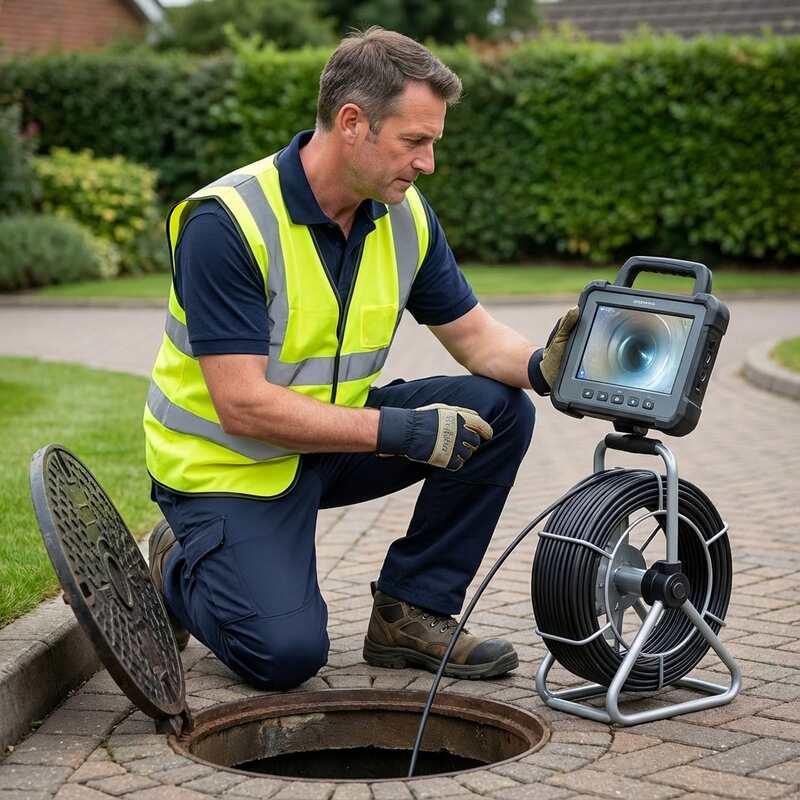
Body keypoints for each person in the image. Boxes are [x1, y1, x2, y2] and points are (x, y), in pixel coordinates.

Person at [145, 26, 577, 690]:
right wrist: (400, 431)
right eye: (415, 141)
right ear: (352, 122)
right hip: (224, 468)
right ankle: (179, 561)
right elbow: (240, 404)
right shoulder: (226, 223)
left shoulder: (401, 215)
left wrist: (542, 366)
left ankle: (412, 612)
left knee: (498, 410)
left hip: (325, 439)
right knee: (284, 655)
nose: (428, 162)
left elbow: (476, 339)